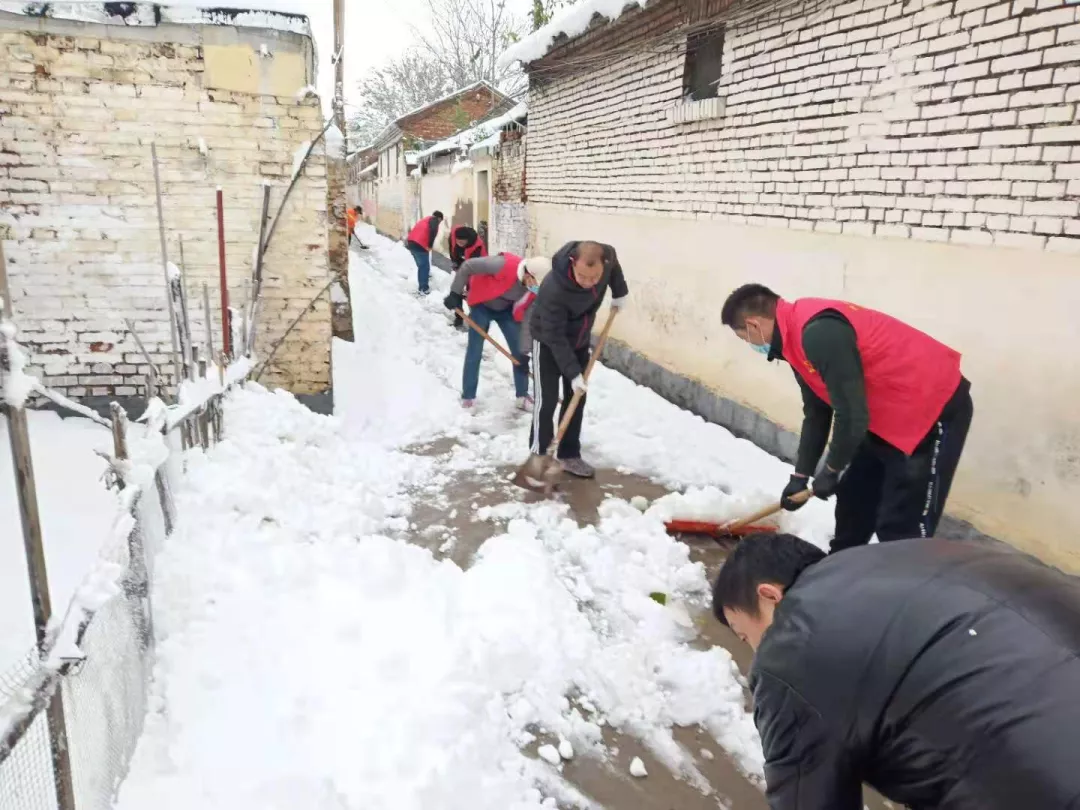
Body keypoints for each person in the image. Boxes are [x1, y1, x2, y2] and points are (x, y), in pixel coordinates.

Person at [711, 532, 1080, 810]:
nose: (755, 651)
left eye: (747, 635)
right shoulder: (900, 560)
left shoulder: (792, 644)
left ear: (770, 595)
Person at [720, 284, 973, 552]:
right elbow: (817, 412)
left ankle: (903, 588)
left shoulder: (818, 333)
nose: (751, 344)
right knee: (855, 499)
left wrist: (831, 469)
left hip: (930, 410)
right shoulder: (792, 340)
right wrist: (801, 475)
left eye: (745, 338)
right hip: (887, 415)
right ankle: (840, 573)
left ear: (754, 324)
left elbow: (851, 415)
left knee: (901, 527)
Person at [529, 241, 628, 479]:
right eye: (583, 276)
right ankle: (539, 457)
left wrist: (619, 291)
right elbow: (554, 335)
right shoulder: (554, 288)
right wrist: (573, 373)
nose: (588, 282)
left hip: (580, 340)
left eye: (595, 278)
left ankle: (569, 453)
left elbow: (614, 269)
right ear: (573, 262)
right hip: (548, 340)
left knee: (577, 399)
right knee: (547, 401)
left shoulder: (608, 257)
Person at [443, 252, 532, 410]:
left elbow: (526, 320)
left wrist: (524, 351)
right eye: (535, 281)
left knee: (519, 353)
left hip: (507, 311)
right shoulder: (502, 264)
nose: (536, 286)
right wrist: (455, 293)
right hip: (482, 306)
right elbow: (468, 266)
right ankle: (468, 397)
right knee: (475, 350)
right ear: (528, 273)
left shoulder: (534, 290)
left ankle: (522, 395)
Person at [448, 225, 487, 330]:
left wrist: (469, 288)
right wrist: (455, 262)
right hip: (463, 266)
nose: (459, 244)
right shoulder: (454, 236)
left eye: (462, 242)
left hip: (477, 271)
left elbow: (475, 270)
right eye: (458, 242)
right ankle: (459, 317)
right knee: (457, 292)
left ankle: (475, 318)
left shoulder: (477, 248)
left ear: (467, 240)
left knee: (472, 294)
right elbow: (452, 249)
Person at [405, 210, 444, 296]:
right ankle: (423, 289)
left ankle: (424, 280)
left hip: (411, 243)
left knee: (422, 266)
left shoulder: (425, 220)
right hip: (419, 245)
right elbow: (433, 230)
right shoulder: (434, 220)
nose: (439, 223)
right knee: (424, 267)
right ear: (439, 218)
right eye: (440, 221)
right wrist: (430, 245)